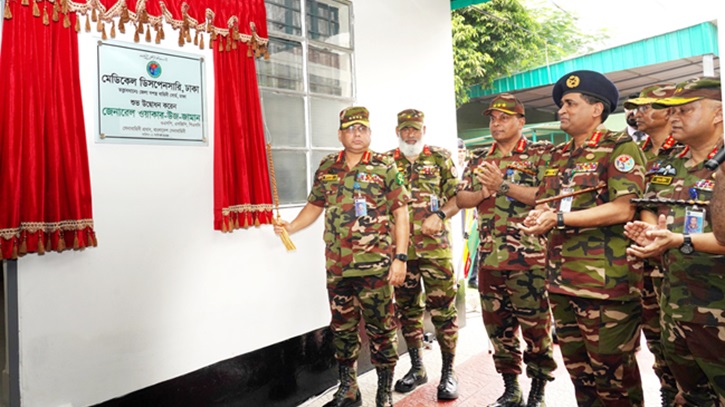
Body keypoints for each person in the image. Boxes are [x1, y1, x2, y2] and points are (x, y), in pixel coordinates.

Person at [520, 70, 646, 406]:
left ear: (596, 109)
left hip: (605, 286)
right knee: (581, 377)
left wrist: (558, 218)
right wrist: (539, 217)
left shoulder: (619, 147)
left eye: (570, 103)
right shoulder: (558, 157)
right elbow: (547, 203)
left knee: (614, 379)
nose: (561, 110)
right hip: (562, 283)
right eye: (561, 104)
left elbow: (624, 208)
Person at [274, 106, 411, 407]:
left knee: (382, 331)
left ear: (370, 133)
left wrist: (400, 258)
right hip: (339, 268)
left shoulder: (384, 165)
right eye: (351, 128)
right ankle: (348, 390)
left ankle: (384, 391)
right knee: (343, 330)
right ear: (340, 134)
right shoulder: (327, 167)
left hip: (376, 267)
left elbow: (401, 213)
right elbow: (314, 206)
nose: (357, 133)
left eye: (362, 128)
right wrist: (291, 226)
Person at [624, 77, 725, 406]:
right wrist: (652, 233)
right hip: (675, 304)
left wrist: (677, 240)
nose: (675, 117)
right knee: (692, 396)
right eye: (674, 111)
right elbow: (650, 206)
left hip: (718, 308)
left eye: (687, 110)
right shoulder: (666, 163)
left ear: (718, 114)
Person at [457, 93, 556, 407]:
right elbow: (462, 199)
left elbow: (548, 197)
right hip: (490, 258)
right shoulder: (477, 158)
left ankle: (538, 390)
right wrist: (481, 192)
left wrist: (503, 185)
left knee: (536, 329)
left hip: (530, 259)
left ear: (521, 121)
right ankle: (511, 388)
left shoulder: (541, 155)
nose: (496, 124)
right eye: (492, 118)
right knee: (499, 329)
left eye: (504, 118)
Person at [384, 109, 461, 400]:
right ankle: (417, 368)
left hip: (435, 249)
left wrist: (441, 214)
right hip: (402, 252)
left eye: (414, 129)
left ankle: (449, 372)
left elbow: (458, 197)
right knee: (407, 310)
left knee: (443, 312)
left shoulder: (440, 157)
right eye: (405, 130)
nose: (410, 135)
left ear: (423, 129)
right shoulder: (386, 162)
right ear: (397, 132)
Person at [622, 84, 680, 405]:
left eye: (647, 107)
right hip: (641, 264)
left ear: (670, 110)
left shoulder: (685, 150)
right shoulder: (635, 151)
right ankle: (668, 391)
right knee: (655, 336)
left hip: (678, 263)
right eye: (638, 108)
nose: (639, 113)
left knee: (684, 342)